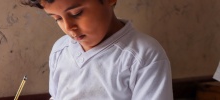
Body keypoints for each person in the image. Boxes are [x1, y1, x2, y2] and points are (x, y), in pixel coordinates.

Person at [22, 0, 173, 99]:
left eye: (76, 13)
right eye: (58, 19)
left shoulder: (144, 56)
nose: (68, 28)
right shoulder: (60, 49)